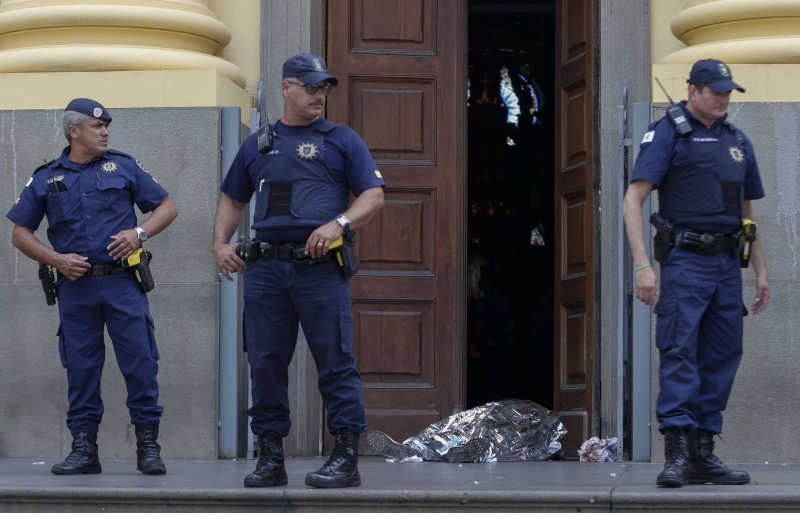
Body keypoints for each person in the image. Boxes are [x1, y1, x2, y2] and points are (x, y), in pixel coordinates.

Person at [212, 53, 385, 489]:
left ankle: (345, 457)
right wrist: (219, 244)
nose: (318, 95)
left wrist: (339, 223)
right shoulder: (257, 144)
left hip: (320, 270)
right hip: (266, 270)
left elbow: (373, 196)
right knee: (266, 363)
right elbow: (234, 198)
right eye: (310, 86)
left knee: (334, 360)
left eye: (323, 88)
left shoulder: (342, 140)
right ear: (287, 87)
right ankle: (270, 456)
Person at [6, 98, 178, 475]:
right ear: (74, 131)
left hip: (121, 283)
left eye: (106, 127)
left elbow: (166, 207)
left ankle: (148, 448)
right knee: (81, 368)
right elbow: (20, 233)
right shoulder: (46, 177)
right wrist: (56, 259)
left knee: (141, 363)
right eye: (97, 127)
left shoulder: (124, 166)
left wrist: (138, 233)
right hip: (76, 288)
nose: (104, 132)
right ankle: (84, 450)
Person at [623, 60, 770, 487]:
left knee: (722, 354)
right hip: (686, 261)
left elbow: (748, 214)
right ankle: (676, 454)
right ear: (693, 90)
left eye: (728, 91)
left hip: (727, 265)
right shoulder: (668, 132)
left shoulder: (737, 140)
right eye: (715, 90)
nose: (723, 97)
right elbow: (634, 200)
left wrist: (761, 271)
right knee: (680, 351)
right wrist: (643, 266)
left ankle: (703, 454)